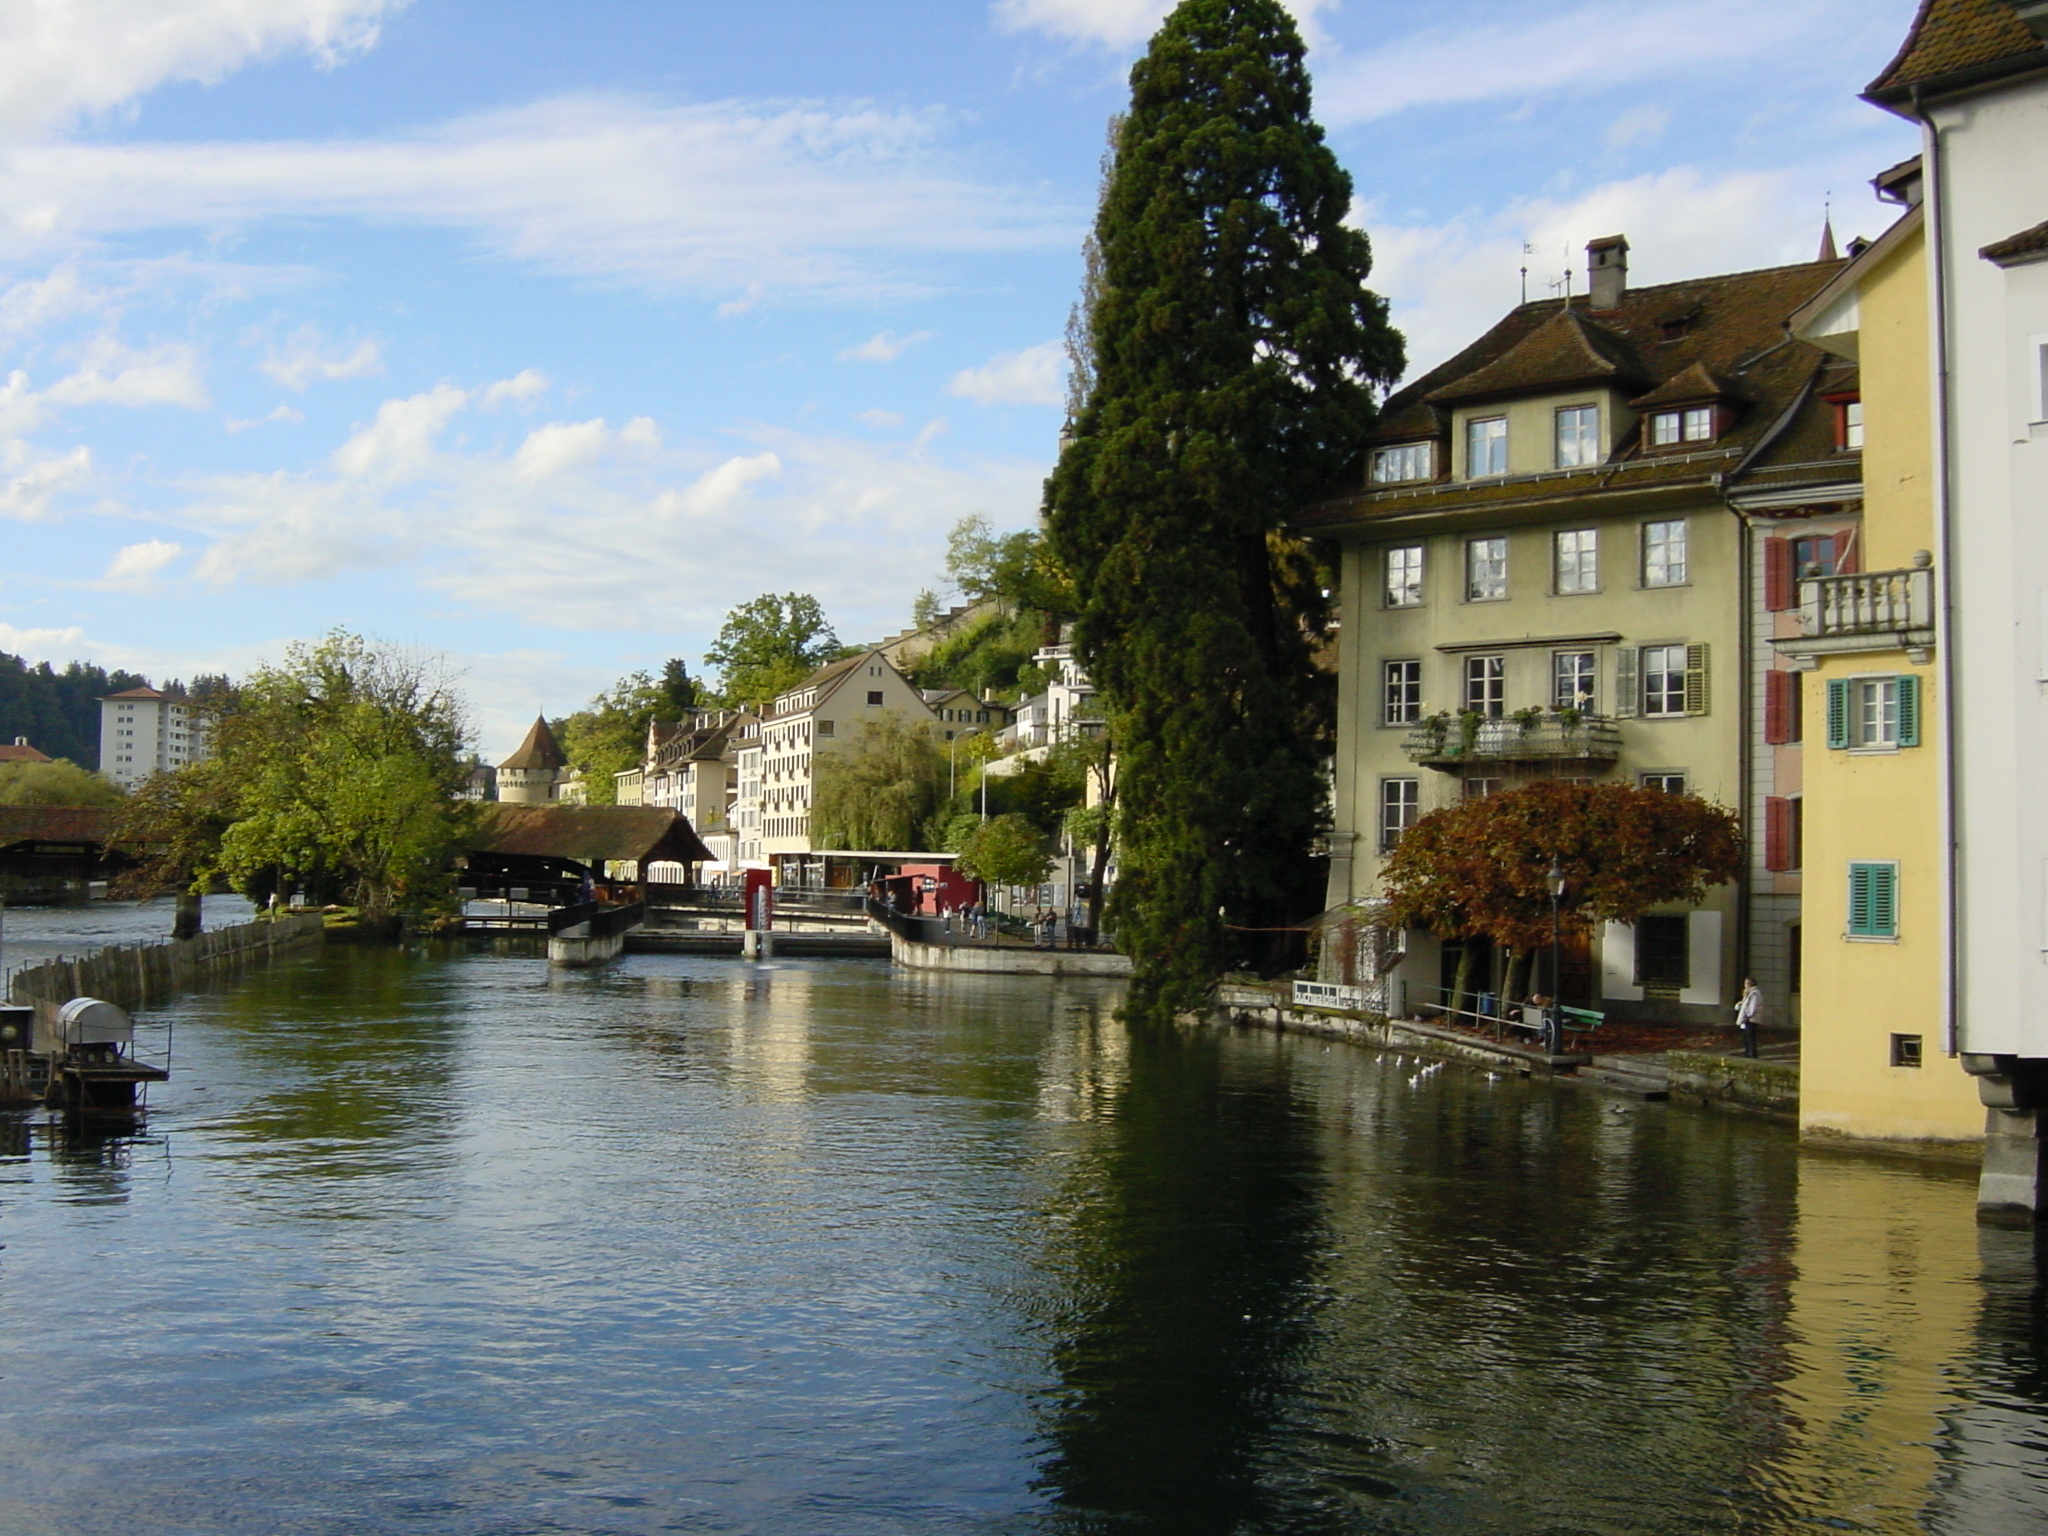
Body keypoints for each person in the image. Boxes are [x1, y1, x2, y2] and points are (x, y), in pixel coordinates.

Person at [1734, 977, 1762, 1059]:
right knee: (1747, 1037)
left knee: (1750, 1037)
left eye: (1746, 983)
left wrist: (1747, 1016)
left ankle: (1752, 1054)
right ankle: (1748, 1052)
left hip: (1751, 1019)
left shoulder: (1754, 993)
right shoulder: (1749, 993)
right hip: (1748, 1018)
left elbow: (1752, 1007)